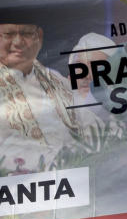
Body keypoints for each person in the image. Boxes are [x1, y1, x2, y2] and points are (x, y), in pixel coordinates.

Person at [0, 22, 99, 172]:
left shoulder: (54, 79)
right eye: (9, 34)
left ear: (38, 38)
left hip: (78, 175)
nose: (18, 42)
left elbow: (90, 123)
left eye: (26, 34)